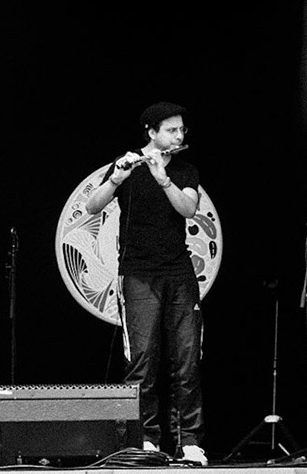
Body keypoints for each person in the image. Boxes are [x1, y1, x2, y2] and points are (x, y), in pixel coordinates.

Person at [80, 102, 206, 466]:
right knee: (142, 361)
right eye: (171, 130)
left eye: (181, 130)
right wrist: (117, 178)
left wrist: (163, 177)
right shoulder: (128, 166)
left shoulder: (184, 170)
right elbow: (92, 206)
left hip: (178, 273)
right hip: (137, 274)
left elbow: (188, 209)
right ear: (151, 132)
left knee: (186, 361)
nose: (179, 136)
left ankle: (190, 442)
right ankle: (146, 439)